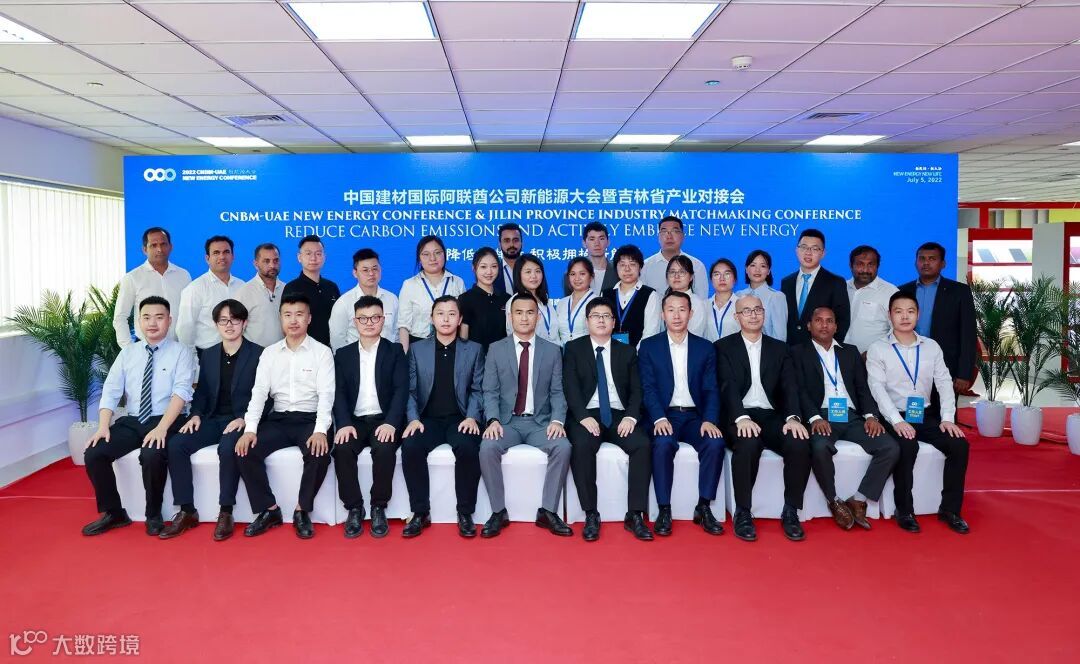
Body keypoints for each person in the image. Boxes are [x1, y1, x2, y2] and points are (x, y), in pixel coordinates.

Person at [82, 296, 195, 537]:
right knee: (94, 453)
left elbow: (181, 393)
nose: (152, 323)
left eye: (159, 317)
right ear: (139, 322)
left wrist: (162, 428)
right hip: (134, 420)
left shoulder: (181, 352)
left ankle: (153, 515)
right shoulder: (128, 354)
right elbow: (111, 390)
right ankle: (114, 513)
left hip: (167, 418)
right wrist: (103, 426)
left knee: (152, 454)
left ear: (169, 320)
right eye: (146, 317)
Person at [866, 291, 970, 535]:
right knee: (907, 446)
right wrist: (897, 421)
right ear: (889, 315)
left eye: (910, 311)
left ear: (918, 314)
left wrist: (947, 418)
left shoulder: (931, 347)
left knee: (959, 445)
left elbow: (944, 383)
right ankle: (904, 510)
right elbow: (877, 389)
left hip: (926, 414)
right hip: (894, 415)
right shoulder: (878, 349)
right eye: (898, 312)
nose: (905, 317)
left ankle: (950, 510)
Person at [160, 299, 263, 541]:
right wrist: (195, 414)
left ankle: (226, 511)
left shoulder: (259, 354)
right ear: (216, 324)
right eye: (223, 320)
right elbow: (202, 392)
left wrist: (245, 419)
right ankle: (186, 510)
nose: (229, 325)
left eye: (235, 320)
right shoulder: (208, 354)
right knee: (177, 444)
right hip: (212, 418)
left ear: (244, 323)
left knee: (228, 448)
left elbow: (266, 395)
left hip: (240, 420)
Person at [235, 293, 335, 540]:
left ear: (309, 318)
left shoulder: (322, 352)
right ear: (280, 318)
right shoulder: (270, 354)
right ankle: (269, 510)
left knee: (318, 452)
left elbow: (327, 396)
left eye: (299, 314)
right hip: (279, 419)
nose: (293, 320)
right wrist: (250, 429)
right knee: (245, 450)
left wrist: (320, 430)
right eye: (288, 315)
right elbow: (259, 393)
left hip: (311, 418)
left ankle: (302, 510)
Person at [791, 306, 900, 531]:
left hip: (851, 416)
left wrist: (871, 416)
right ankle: (834, 501)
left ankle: (859, 499)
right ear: (809, 325)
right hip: (821, 415)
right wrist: (813, 418)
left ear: (836, 326)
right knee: (819, 447)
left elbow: (862, 388)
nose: (824, 325)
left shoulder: (850, 352)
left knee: (890, 447)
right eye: (818, 320)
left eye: (829, 320)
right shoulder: (797, 352)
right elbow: (799, 390)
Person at [716, 294, 811, 543]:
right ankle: (743, 512)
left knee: (799, 441)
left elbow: (790, 386)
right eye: (746, 311)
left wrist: (793, 417)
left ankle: (791, 510)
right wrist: (740, 417)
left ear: (764, 314)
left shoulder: (780, 348)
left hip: (771, 415)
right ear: (736, 317)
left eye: (757, 310)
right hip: (738, 415)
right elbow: (727, 386)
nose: (753, 315)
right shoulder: (723, 347)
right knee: (748, 442)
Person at [479, 293, 573, 538]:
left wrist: (557, 420)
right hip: (506, 422)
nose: (524, 318)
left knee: (563, 446)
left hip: (540, 423)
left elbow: (558, 391)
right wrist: (492, 420)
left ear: (538, 317)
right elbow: (490, 391)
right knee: (487, 447)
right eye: (518, 312)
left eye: (530, 312)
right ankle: (498, 511)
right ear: (510, 317)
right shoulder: (496, 349)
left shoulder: (552, 351)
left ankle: (548, 511)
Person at [563, 297, 653, 542]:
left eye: (606, 316)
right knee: (581, 446)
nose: (601, 320)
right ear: (587, 321)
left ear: (614, 322)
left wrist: (631, 416)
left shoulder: (627, 351)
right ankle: (591, 513)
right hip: (587, 414)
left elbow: (637, 390)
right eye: (596, 316)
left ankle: (635, 514)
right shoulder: (574, 348)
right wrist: (582, 417)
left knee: (642, 444)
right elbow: (570, 387)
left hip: (619, 414)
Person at [638, 291, 724, 537]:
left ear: (691, 313)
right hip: (665, 415)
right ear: (662, 315)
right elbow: (648, 388)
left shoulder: (705, 348)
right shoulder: (649, 346)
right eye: (671, 310)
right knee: (663, 443)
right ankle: (664, 509)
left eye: (682, 309)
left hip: (695, 417)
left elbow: (711, 388)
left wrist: (709, 419)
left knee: (715, 443)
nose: (676, 315)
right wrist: (658, 417)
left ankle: (704, 506)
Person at [400, 295, 485, 539]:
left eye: (451, 314)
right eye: (440, 314)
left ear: (460, 319)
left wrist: (472, 417)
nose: (446, 319)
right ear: (431, 318)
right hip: (427, 420)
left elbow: (478, 389)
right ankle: (420, 512)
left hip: (461, 419)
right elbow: (410, 390)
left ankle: (465, 513)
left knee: (468, 448)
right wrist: (413, 418)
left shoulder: (474, 349)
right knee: (411, 446)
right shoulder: (417, 350)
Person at [332, 296, 409, 539]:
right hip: (354, 421)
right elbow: (338, 393)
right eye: (363, 318)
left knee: (385, 449)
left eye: (375, 317)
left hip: (383, 420)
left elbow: (401, 390)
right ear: (355, 321)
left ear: (383, 320)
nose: (369, 323)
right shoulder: (343, 354)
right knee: (342, 449)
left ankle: (378, 506)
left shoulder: (395, 351)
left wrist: (391, 423)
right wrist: (343, 423)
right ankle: (354, 508)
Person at [898, 242, 978, 403]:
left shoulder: (959, 292)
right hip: (907, 364)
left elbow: (968, 334)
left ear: (943, 264)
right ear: (915, 262)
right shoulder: (902, 291)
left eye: (932, 259)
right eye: (922, 259)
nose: (926, 263)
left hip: (945, 366)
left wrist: (964, 374)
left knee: (944, 412)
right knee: (910, 411)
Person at [113, 227, 191, 347]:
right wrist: (129, 349)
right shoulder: (133, 278)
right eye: (153, 245)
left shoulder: (183, 275)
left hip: (178, 347)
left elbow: (189, 314)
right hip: (145, 348)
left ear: (170, 247)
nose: (159, 249)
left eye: (163, 244)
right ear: (145, 249)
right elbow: (120, 317)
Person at [781, 229, 850, 346]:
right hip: (789, 350)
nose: (808, 253)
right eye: (804, 247)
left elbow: (842, 322)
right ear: (797, 250)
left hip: (820, 350)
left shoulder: (835, 282)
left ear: (823, 253)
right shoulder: (787, 282)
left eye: (815, 248)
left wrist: (827, 349)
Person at [397, 235, 466, 352]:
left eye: (437, 253)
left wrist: (463, 351)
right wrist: (404, 355)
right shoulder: (409, 285)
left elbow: (463, 320)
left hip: (452, 345)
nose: (432, 258)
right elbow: (403, 326)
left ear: (445, 254)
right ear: (419, 258)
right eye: (426, 254)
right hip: (418, 346)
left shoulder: (457, 282)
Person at [176, 235, 244, 353]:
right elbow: (184, 328)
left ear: (232, 256)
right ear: (207, 258)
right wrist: (192, 357)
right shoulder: (194, 288)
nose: (222, 256)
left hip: (239, 353)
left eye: (226, 252)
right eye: (216, 253)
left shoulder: (242, 286)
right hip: (206, 354)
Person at [328, 248, 399, 351]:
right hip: (356, 358)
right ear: (355, 273)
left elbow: (397, 334)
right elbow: (337, 339)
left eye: (375, 269)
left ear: (380, 270)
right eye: (365, 270)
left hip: (388, 357)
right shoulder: (343, 303)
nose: (371, 274)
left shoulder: (392, 299)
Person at [281, 235, 340, 348]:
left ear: (324, 257)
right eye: (308, 253)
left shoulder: (331, 287)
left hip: (332, 350)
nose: (313, 258)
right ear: (299, 257)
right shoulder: (292, 288)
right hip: (304, 350)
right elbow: (287, 324)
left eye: (318, 254)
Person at [602, 244, 661, 347]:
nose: (627, 269)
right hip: (609, 353)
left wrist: (633, 354)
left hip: (639, 354)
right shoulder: (605, 294)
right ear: (616, 268)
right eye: (622, 265)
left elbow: (650, 333)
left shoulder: (650, 295)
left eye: (632, 264)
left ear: (640, 267)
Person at [845, 245, 898, 354]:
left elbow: (898, 330)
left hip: (873, 359)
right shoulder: (841, 288)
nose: (865, 270)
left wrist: (873, 353)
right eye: (860, 264)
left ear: (878, 266)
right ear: (851, 265)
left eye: (870, 264)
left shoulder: (891, 293)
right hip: (837, 357)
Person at [458, 247, 510, 351]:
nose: (489, 272)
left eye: (494, 266)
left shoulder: (506, 298)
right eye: (483, 267)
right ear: (474, 268)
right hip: (476, 358)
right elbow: (463, 338)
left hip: (502, 357)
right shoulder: (465, 299)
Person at [235, 243, 285, 348]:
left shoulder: (287, 289)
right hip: (255, 355)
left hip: (284, 353)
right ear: (256, 264)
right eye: (266, 261)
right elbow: (235, 330)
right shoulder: (244, 292)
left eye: (276, 260)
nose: (272, 265)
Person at [642, 216, 707, 295]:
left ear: (682, 236)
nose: (669, 236)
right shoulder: (645, 266)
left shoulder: (696, 265)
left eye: (675, 231)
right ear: (658, 236)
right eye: (664, 231)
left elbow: (701, 298)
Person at [738, 249, 787, 342]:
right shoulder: (738, 296)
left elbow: (780, 336)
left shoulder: (777, 297)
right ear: (746, 269)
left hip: (768, 349)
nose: (757, 270)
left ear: (768, 271)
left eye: (763, 266)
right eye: (753, 265)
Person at [510, 253, 559, 344]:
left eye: (537, 271)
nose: (534, 276)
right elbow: (513, 335)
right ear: (519, 275)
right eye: (528, 272)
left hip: (555, 350)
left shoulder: (545, 300)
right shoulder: (515, 301)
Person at [562, 221, 618, 296]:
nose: (597, 243)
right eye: (592, 239)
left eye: (601, 239)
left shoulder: (618, 271)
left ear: (608, 242)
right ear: (584, 243)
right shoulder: (571, 274)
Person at [663, 255, 710, 338]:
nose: (676, 276)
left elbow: (694, 336)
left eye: (682, 272)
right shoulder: (663, 301)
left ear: (691, 277)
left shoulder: (697, 303)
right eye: (672, 272)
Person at [555, 257, 596, 345]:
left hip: (586, 351)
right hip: (563, 351)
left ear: (591, 276)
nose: (577, 278)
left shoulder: (597, 302)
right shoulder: (562, 303)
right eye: (573, 274)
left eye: (582, 274)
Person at [706, 258, 740, 342]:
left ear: (735, 279)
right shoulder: (704, 306)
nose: (722, 279)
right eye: (717, 274)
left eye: (727, 274)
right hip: (709, 350)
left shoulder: (742, 305)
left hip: (735, 350)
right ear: (711, 280)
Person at [492, 222, 524, 295]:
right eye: (506, 240)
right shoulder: (492, 272)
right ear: (500, 244)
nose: (511, 244)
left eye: (515, 240)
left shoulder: (532, 268)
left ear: (521, 243)